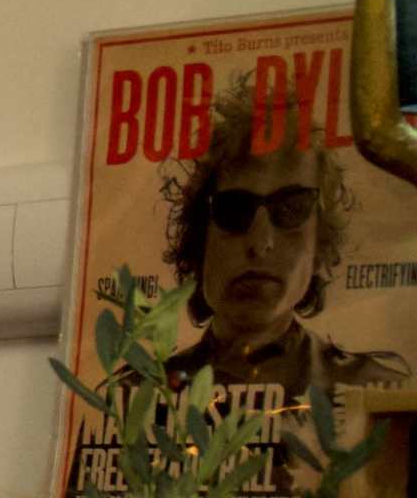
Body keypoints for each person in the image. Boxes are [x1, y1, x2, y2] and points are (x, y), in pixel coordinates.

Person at [159, 78, 409, 405]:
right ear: (199, 241)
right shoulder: (134, 398)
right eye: (235, 211)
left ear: (320, 243)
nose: (261, 243)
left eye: (291, 209)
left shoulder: (375, 391)